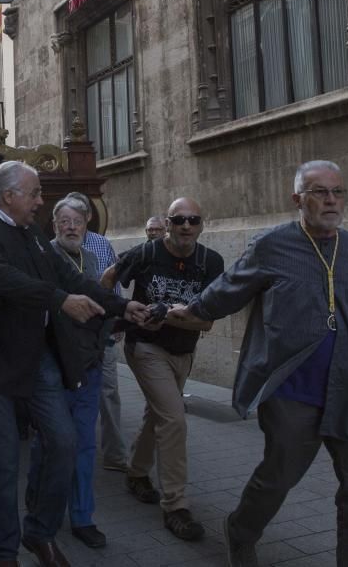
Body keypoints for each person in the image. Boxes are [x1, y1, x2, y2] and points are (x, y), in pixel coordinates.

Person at [168, 160, 348, 567]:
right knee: (278, 479)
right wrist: (189, 310)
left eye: (337, 192)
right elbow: (229, 288)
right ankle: (241, 530)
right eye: (319, 192)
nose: (331, 200)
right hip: (293, 392)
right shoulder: (272, 245)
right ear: (298, 199)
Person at [0, 161, 150, 567]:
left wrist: (123, 305)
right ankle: (4, 551)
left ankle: (39, 532)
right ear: (9, 196)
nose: (42, 202)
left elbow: (73, 279)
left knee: (64, 442)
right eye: (35, 193)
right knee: (3, 464)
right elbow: (3, 277)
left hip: (34, 358)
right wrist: (59, 301)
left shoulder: (34, 238)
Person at [102, 198, 224, 541]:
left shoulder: (210, 262)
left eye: (193, 220)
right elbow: (108, 278)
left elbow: (207, 323)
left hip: (183, 351)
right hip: (145, 347)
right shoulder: (146, 254)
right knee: (173, 418)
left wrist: (165, 312)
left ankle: (136, 472)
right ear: (167, 224)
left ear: (202, 225)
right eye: (179, 220)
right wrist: (118, 311)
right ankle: (176, 506)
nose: (186, 226)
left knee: (158, 416)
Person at [28, 196, 111, 549]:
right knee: (48, 442)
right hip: (51, 367)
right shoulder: (42, 257)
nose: (71, 226)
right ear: (54, 225)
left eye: (77, 220)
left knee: (84, 443)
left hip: (88, 365)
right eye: (64, 220)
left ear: (87, 224)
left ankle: (82, 516)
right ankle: (37, 505)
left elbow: (103, 306)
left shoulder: (91, 259)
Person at [63, 192, 127, 474]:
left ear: (88, 218)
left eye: (80, 215)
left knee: (109, 390)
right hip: (69, 336)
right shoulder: (55, 248)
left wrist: (118, 318)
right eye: (67, 218)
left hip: (101, 332)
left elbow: (112, 285)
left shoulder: (101, 245)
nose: (73, 224)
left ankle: (114, 453)